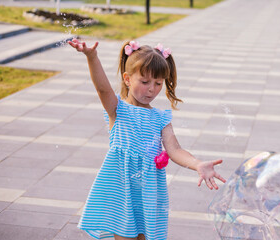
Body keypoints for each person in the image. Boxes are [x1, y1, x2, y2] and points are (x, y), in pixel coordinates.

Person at [68, 39, 227, 240]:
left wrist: (197, 164)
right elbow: (103, 89)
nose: (152, 89)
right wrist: (92, 57)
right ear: (127, 79)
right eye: (145, 82)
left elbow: (175, 149)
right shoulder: (118, 110)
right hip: (122, 189)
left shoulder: (161, 118)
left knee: (146, 236)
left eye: (158, 83)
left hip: (149, 191)